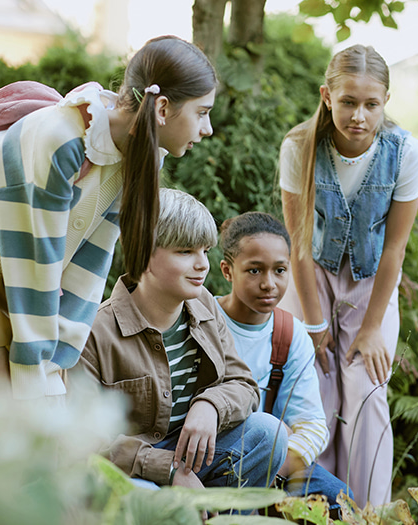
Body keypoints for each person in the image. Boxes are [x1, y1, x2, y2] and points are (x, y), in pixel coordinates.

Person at [0, 35, 217, 407]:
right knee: (13, 425)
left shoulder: (144, 155)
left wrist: (59, 362)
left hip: (20, 286)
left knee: (36, 433)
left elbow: (87, 266)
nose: (207, 129)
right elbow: (35, 271)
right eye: (202, 112)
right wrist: (37, 379)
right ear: (162, 108)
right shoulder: (60, 140)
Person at [278, 44, 418, 506]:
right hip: (311, 280)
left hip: (372, 286)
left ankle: (369, 511)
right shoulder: (299, 147)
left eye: (370, 104)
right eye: (347, 102)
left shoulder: (405, 153)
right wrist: (315, 324)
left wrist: (373, 326)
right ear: (327, 96)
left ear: (385, 102)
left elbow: (395, 248)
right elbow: (299, 242)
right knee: (313, 393)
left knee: (366, 394)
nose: (358, 115)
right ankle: (316, 506)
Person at [75, 188, 287, 491]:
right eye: (186, 252)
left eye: (204, 250)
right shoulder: (95, 331)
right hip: (130, 470)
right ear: (144, 255)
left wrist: (210, 405)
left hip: (193, 453)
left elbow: (244, 384)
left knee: (269, 433)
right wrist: (170, 471)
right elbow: (87, 440)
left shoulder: (206, 305)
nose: (202, 264)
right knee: (148, 495)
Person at [215, 211, 350, 512]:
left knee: (343, 504)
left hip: (276, 465)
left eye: (279, 270)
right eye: (254, 271)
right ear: (227, 270)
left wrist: (269, 466)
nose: (269, 284)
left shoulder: (291, 334)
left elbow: (313, 426)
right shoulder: (204, 319)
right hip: (213, 458)